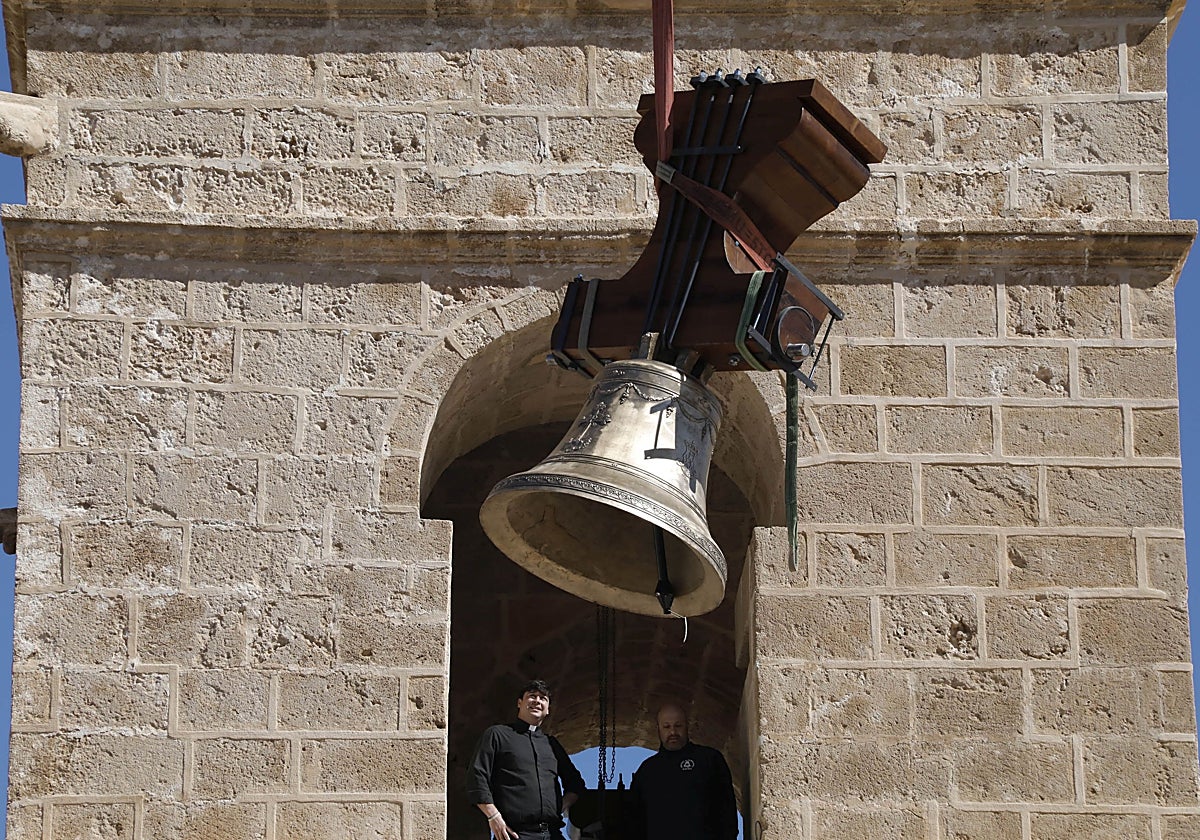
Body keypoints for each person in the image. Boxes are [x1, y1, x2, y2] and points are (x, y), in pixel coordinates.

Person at [467, 679, 586, 840]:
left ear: (548, 709)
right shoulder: (497, 735)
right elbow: (477, 776)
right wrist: (493, 816)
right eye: (532, 696)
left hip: (551, 834)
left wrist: (560, 807)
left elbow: (576, 784)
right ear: (519, 703)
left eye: (543, 698)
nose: (537, 701)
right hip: (514, 834)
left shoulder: (551, 744)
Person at [628, 703, 738, 840]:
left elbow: (727, 813)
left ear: (687, 726)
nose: (673, 732)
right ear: (658, 729)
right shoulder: (647, 771)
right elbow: (634, 823)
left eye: (678, 726)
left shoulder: (709, 760)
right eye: (667, 727)